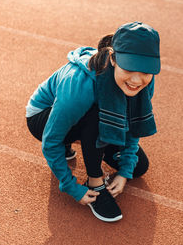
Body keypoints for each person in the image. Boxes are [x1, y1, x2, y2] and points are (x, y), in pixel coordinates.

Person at [26, 22, 160, 222]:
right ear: (114, 59)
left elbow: (133, 126)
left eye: (145, 72)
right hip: (42, 117)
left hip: (87, 116)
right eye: (129, 68)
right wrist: (71, 187)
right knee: (96, 116)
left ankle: (85, 139)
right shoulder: (80, 84)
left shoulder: (142, 83)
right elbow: (50, 140)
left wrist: (124, 171)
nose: (136, 80)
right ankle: (95, 183)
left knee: (139, 166)